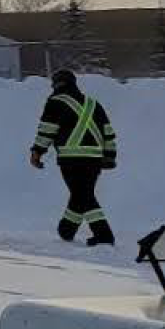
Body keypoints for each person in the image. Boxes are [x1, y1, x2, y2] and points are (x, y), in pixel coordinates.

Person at [30, 67, 118, 246]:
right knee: (82, 194)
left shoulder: (55, 102)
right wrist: (109, 156)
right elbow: (108, 132)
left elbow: (47, 130)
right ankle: (67, 229)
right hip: (94, 159)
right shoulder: (93, 104)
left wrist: (37, 152)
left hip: (71, 158)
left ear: (56, 84)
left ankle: (104, 235)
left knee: (83, 195)